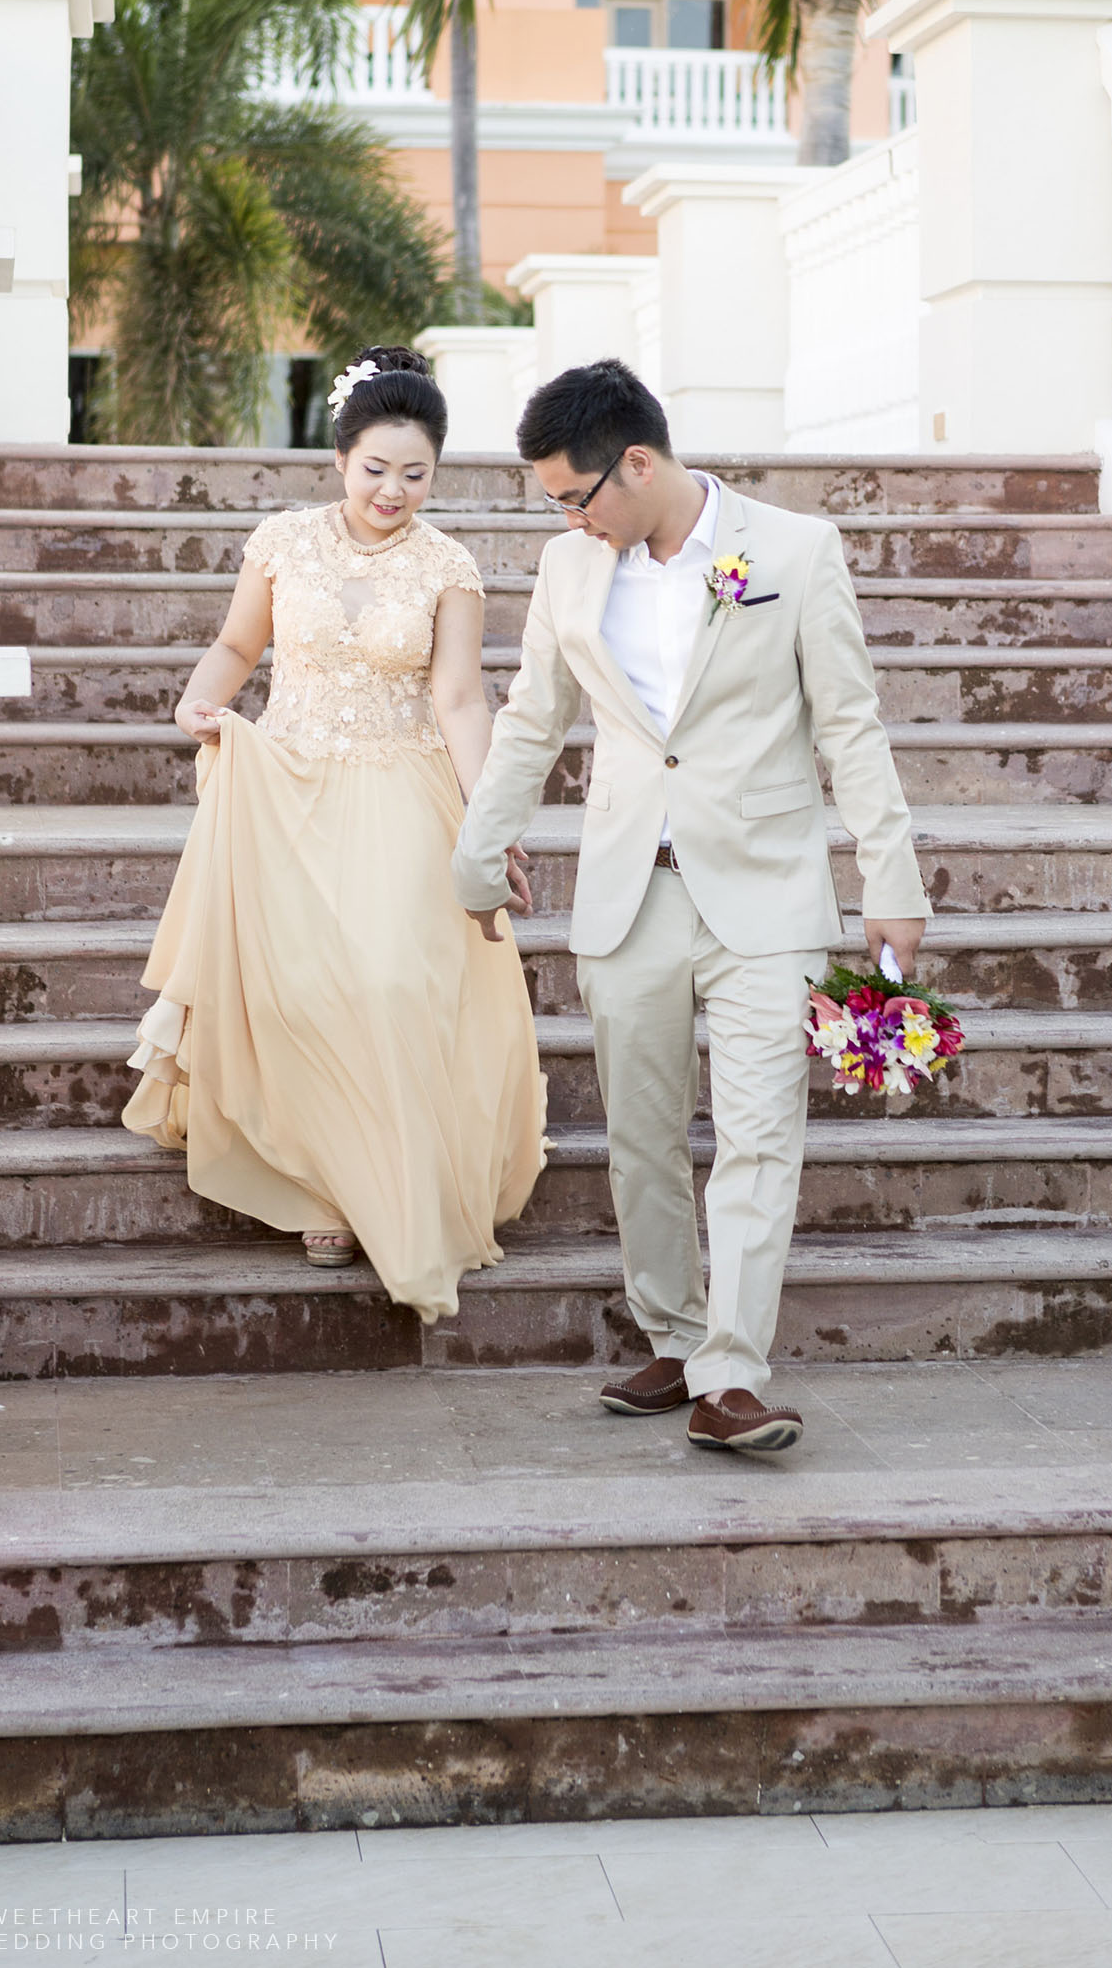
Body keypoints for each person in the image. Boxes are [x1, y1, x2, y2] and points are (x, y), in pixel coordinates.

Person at [451, 359, 929, 1453]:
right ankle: (673, 1336)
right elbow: (530, 723)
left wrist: (889, 881)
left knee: (761, 1139)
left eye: (579, 497)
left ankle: (731, 1375)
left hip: (765, 894)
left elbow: (849, 724)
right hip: (631, 896)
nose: (571, 520)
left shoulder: (795, 552)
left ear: (639, 462)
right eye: (556, 507)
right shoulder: (572, 572)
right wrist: (476, 861)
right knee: (643, 1140)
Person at [122, 345, 546, 1317]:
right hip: (289, 781)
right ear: (341, 459)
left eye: (415, 473)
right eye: (375, 469)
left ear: (433, 473)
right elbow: (240, 643)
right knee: (301, 983)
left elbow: (457, 696)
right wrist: (201, 701)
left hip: (402, 784)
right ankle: (324, 1191)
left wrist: (488, 814)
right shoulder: (281, 542)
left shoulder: (450, 565)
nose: (393, 490)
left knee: (394, 979)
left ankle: (396, 1187)